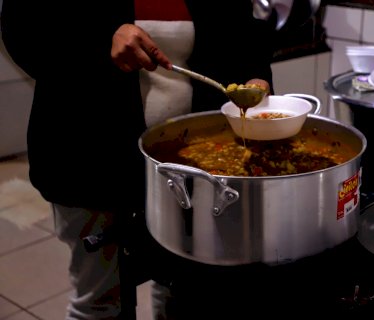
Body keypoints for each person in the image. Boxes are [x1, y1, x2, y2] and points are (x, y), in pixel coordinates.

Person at [1, 0, 293, 318]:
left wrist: (255, 76)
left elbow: (241, 31)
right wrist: (101, 41)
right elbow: (23, 33)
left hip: (190, 162)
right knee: (99, 300)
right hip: (90, 155)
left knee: (179, 288)